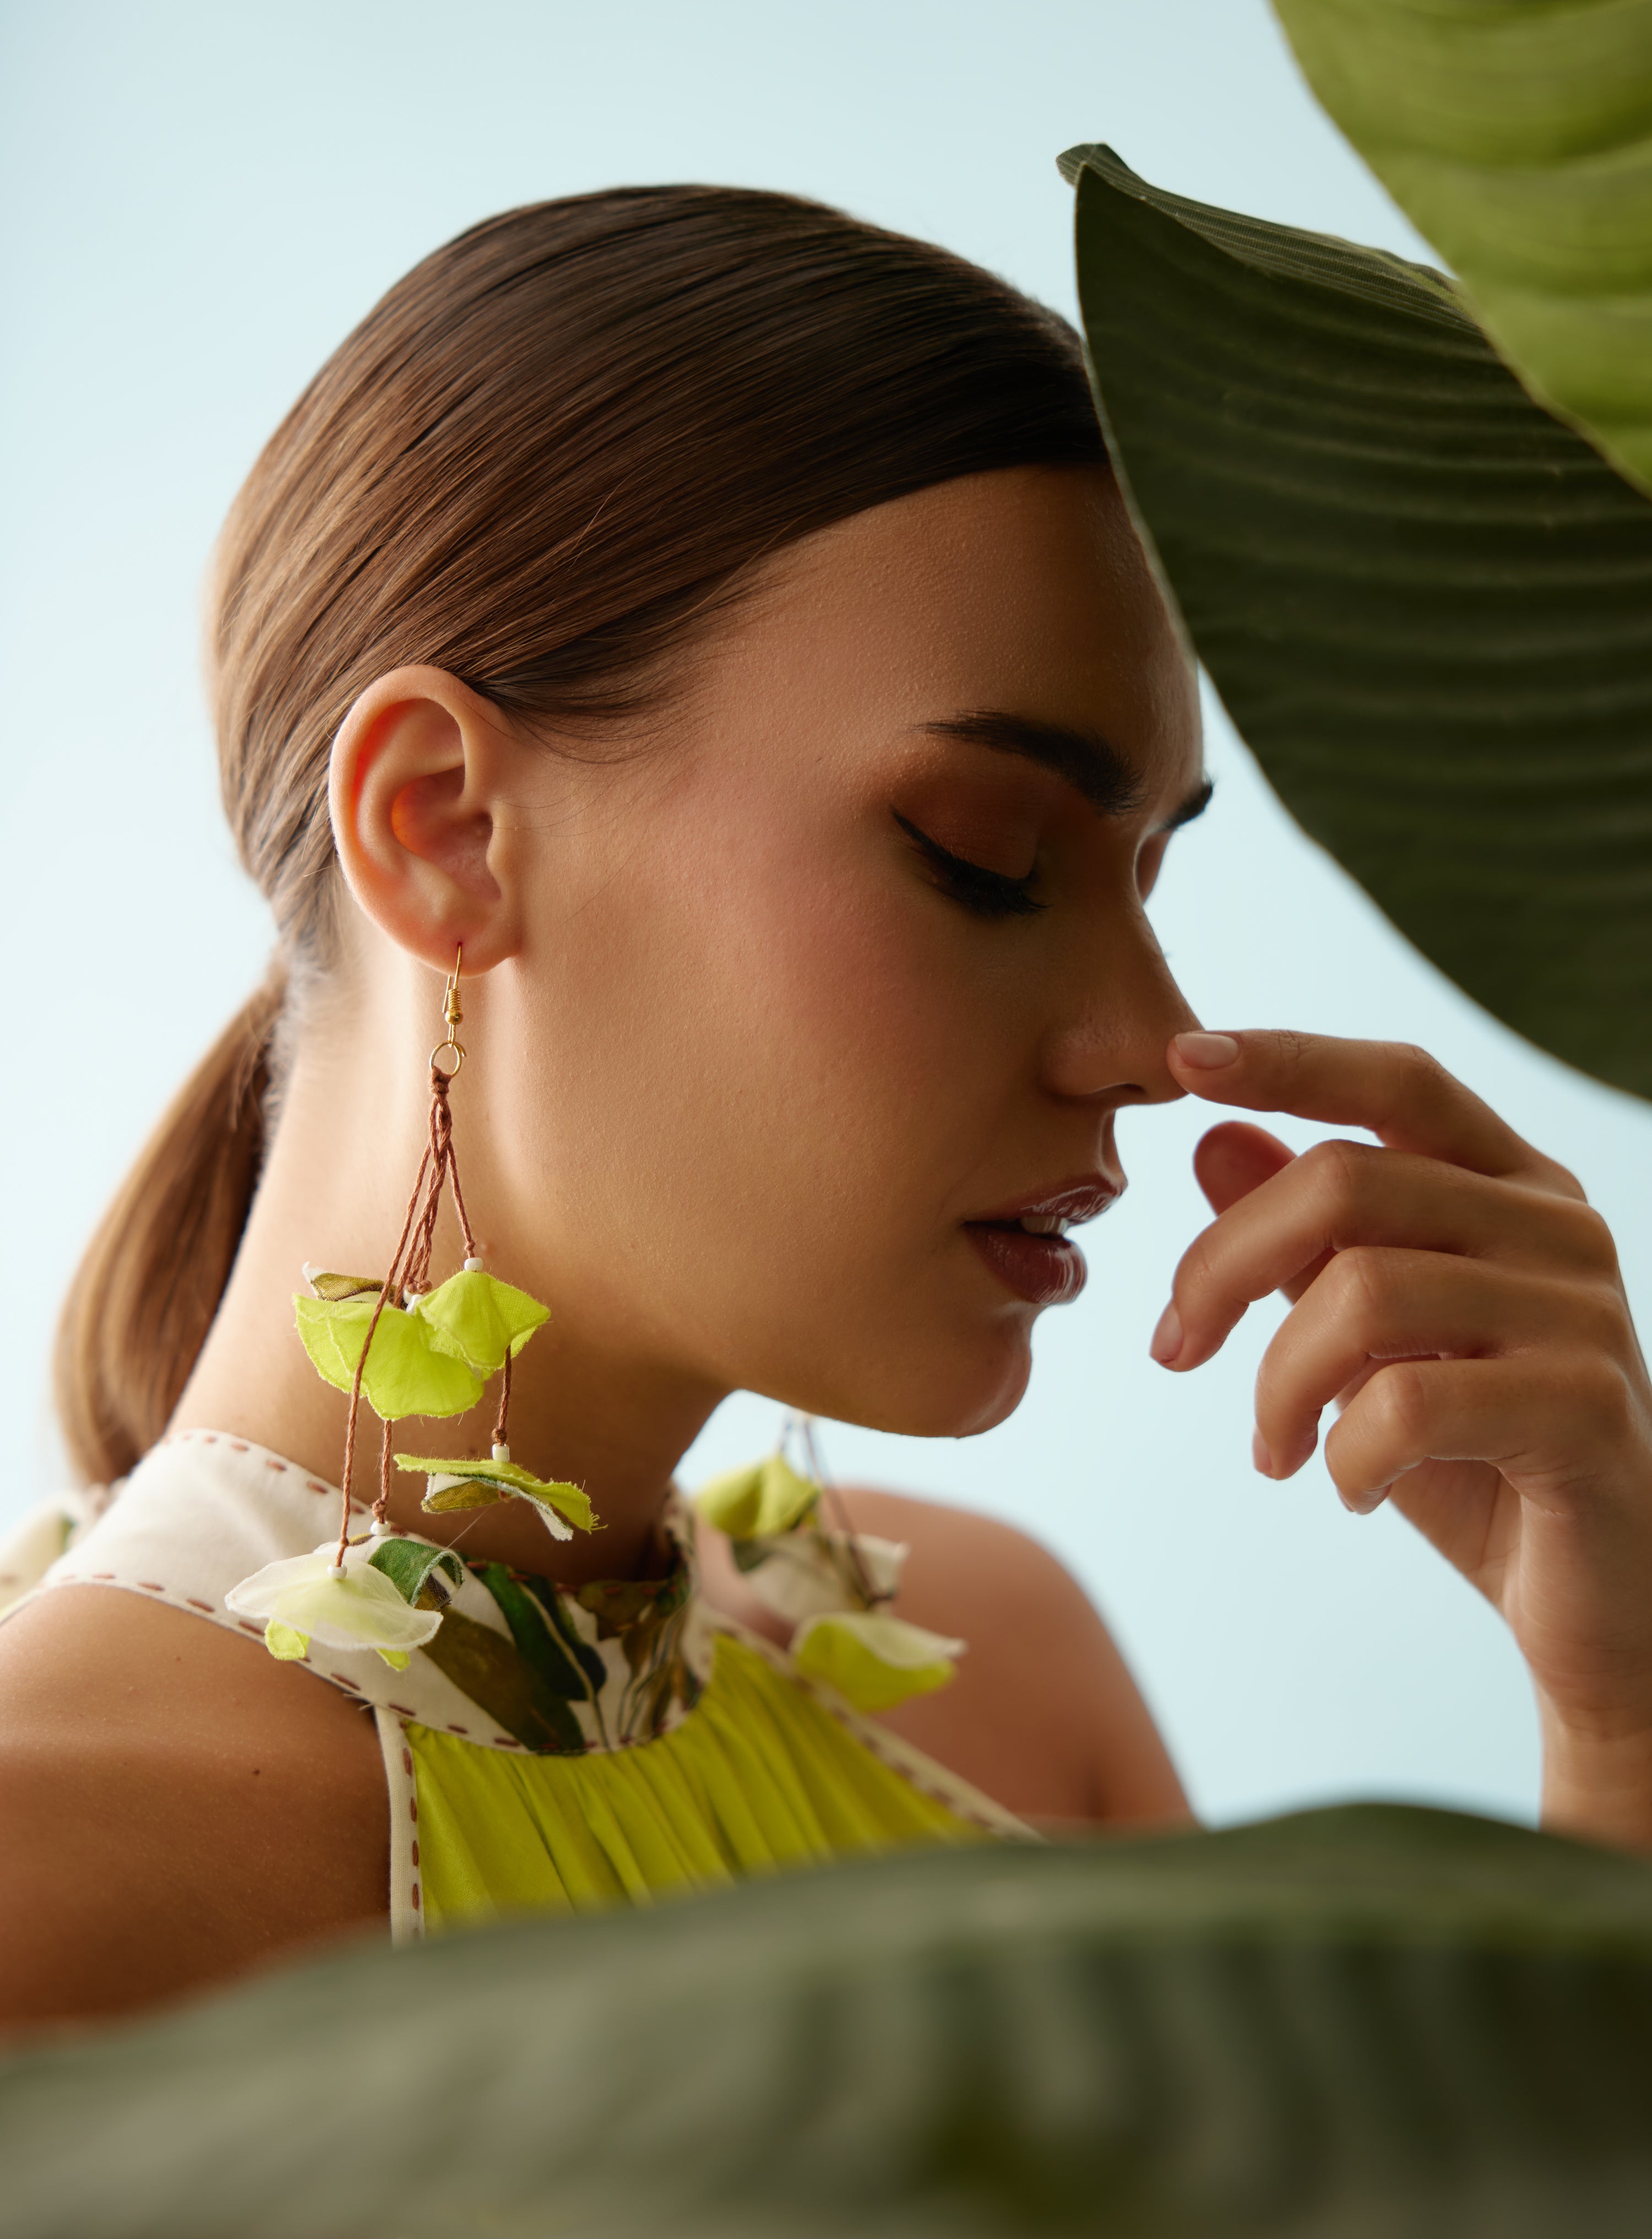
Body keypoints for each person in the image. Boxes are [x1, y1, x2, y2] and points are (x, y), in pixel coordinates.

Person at [2, 186, 1649, 2035]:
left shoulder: (999, 1683)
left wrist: (1623, 1729)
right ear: (442, 828)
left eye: (1148, 877)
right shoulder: (51, 1891)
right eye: (984, 856)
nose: (1150, 1036)